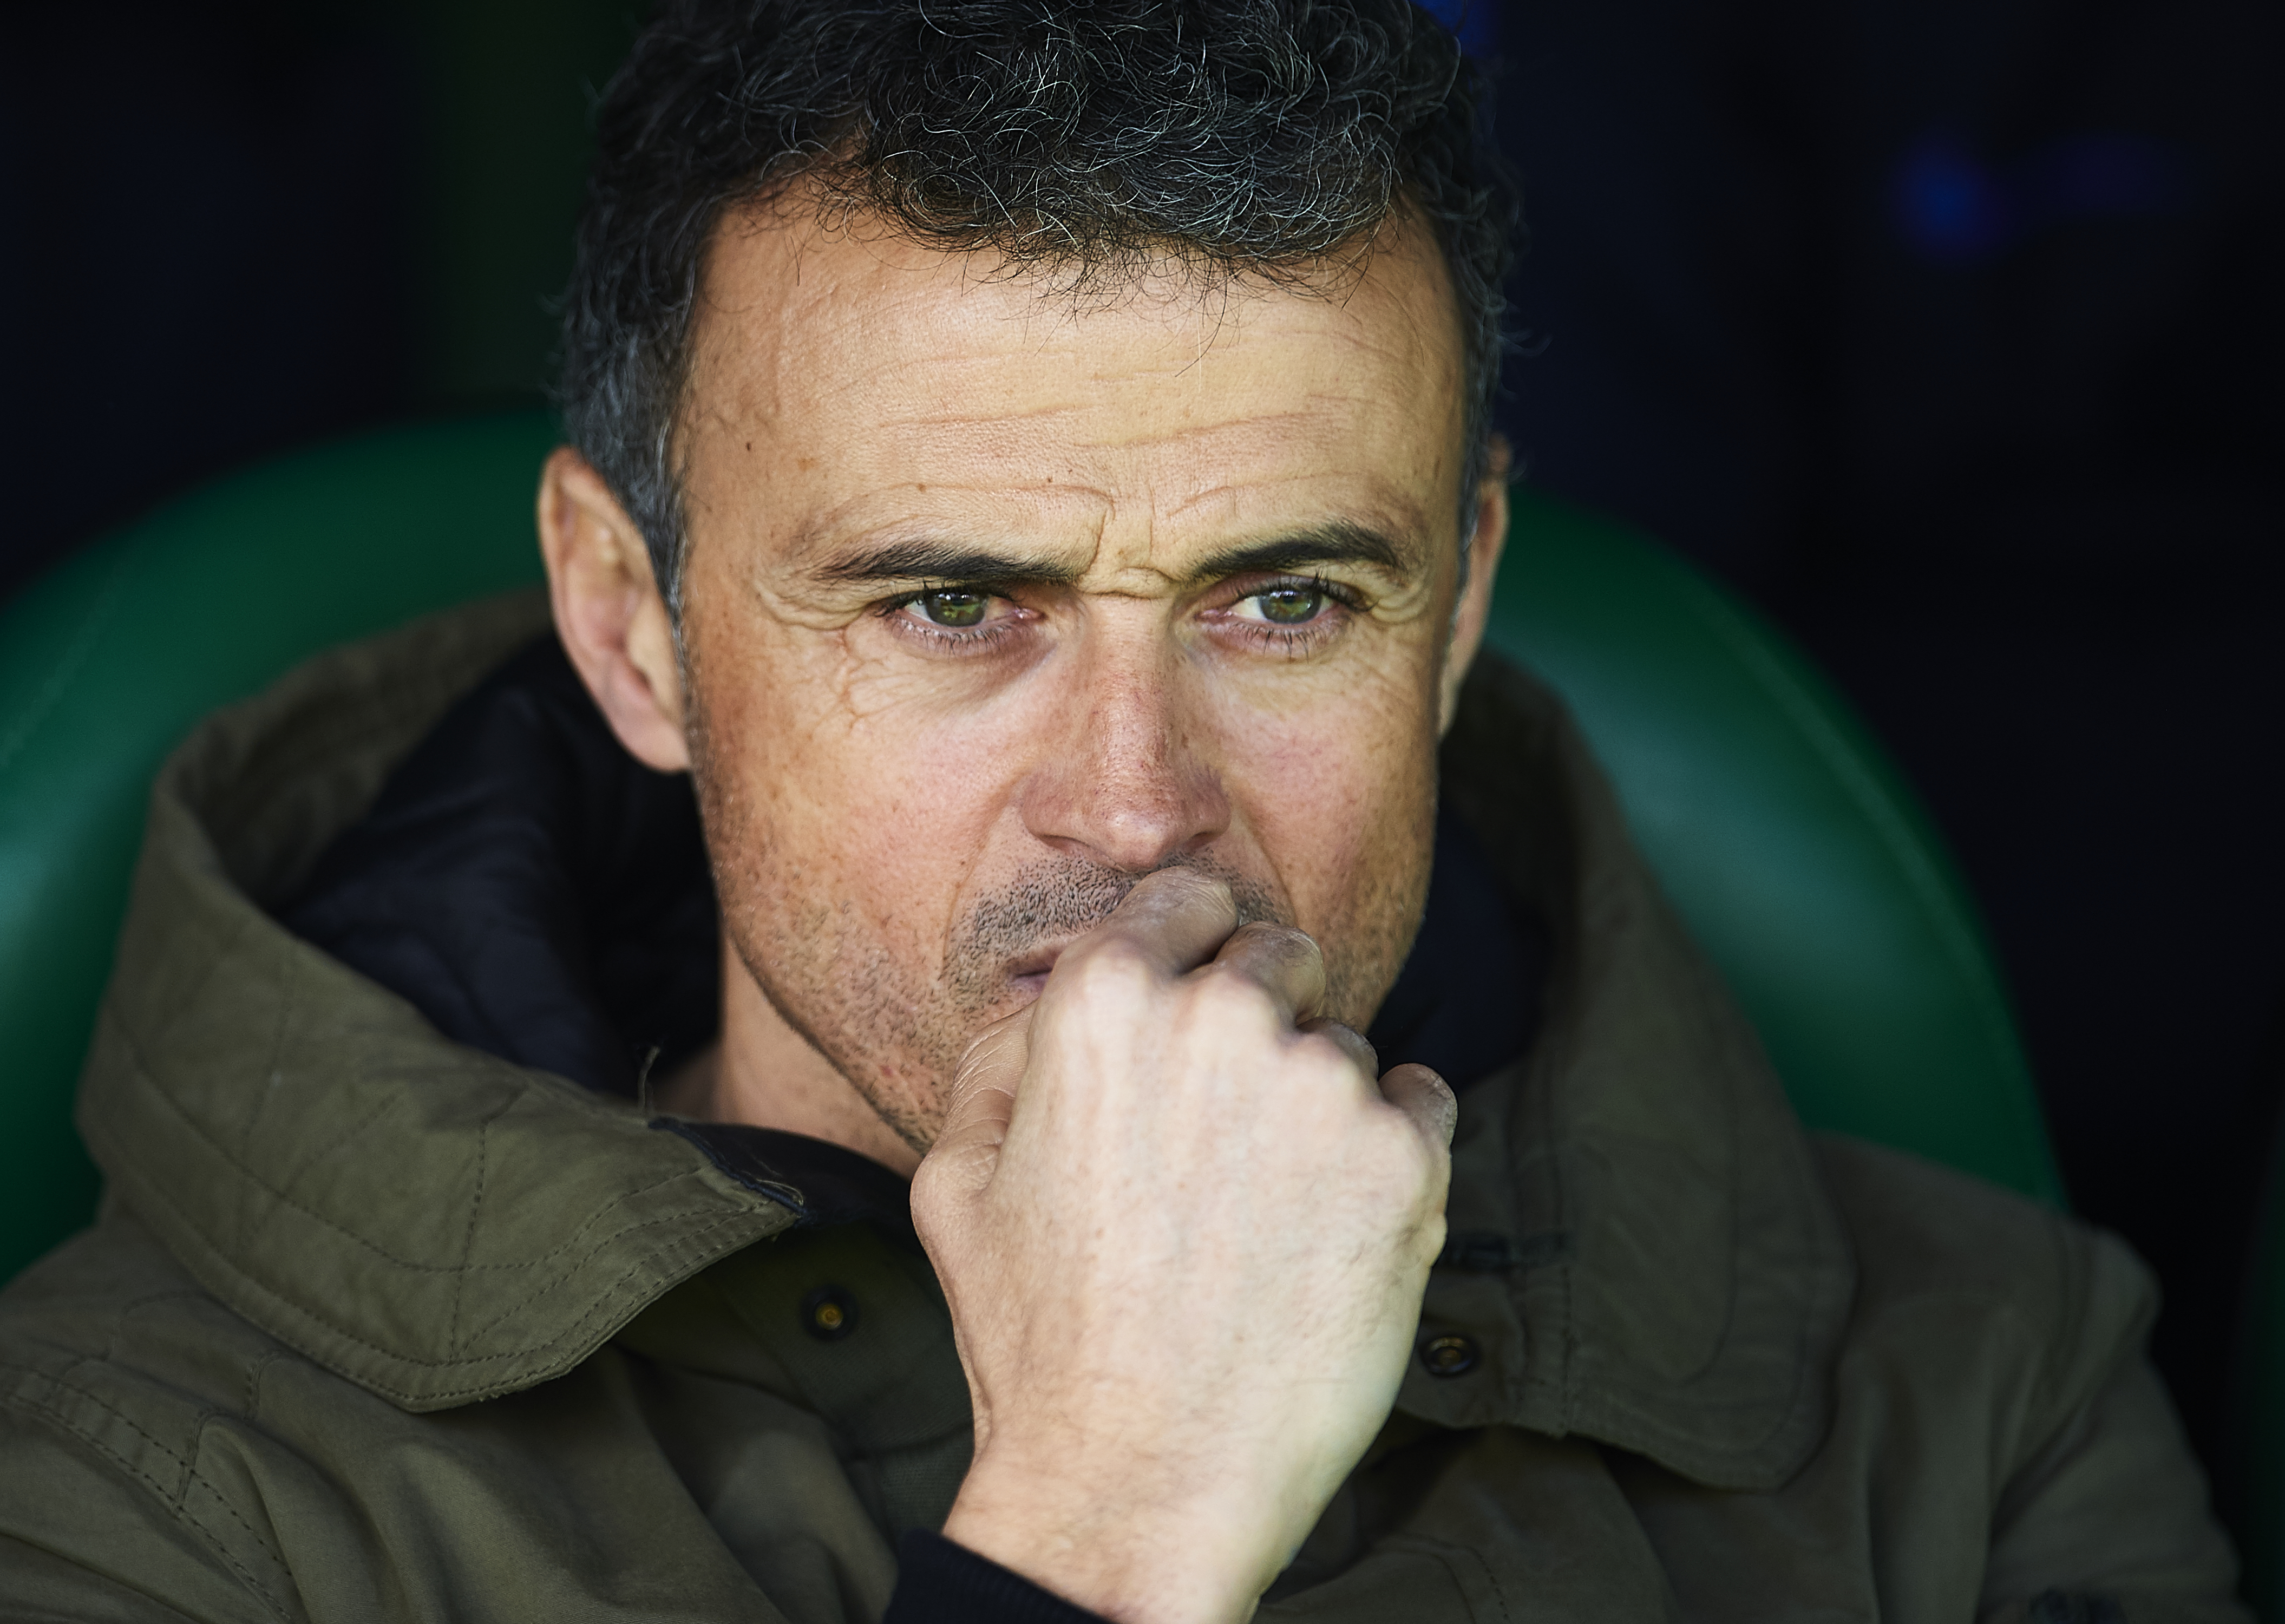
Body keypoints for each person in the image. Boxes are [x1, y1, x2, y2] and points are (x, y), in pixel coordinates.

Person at [0, 3, 2248, 1620]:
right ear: (632, 628)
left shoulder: (1977, 1390)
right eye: (956, 606)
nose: (1132, 805)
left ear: (1458, 609)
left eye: (1284, 601)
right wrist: (1106, 1527)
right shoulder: (146, 1501)